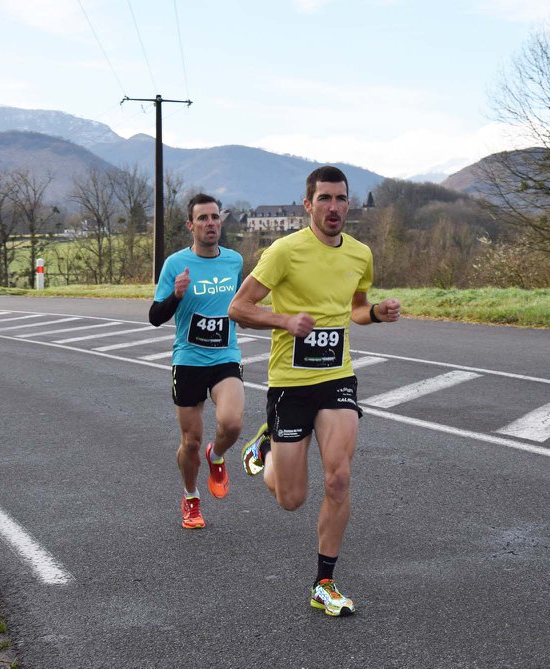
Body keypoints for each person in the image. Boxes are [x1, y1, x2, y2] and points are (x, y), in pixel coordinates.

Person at [228, 166, 401, 616]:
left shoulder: (360, 254)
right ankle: (268, 445)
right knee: (291, 499)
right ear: (308, 205)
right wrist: (284, 320)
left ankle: (324, 582)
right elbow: (239, 308)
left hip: (337, 378)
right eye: (324, 198)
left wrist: (376, 313)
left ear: (349, 204)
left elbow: (356, 309)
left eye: (340, 198)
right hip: (291, 384)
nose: (333, 207)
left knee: (339, 478)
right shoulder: (285, 252)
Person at [149, 193, 244, 530]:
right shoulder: (175, 264)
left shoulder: (234, 261)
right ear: (190, 225)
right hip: (189, 360)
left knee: (232, 423)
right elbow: (155, 317)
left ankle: (216, 455)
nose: (210, 223)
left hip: (225, 356)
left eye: (215, 217)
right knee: (190, 442)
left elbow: (240, 304)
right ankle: (191, 497)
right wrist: (176, 295)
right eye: (203, 218)